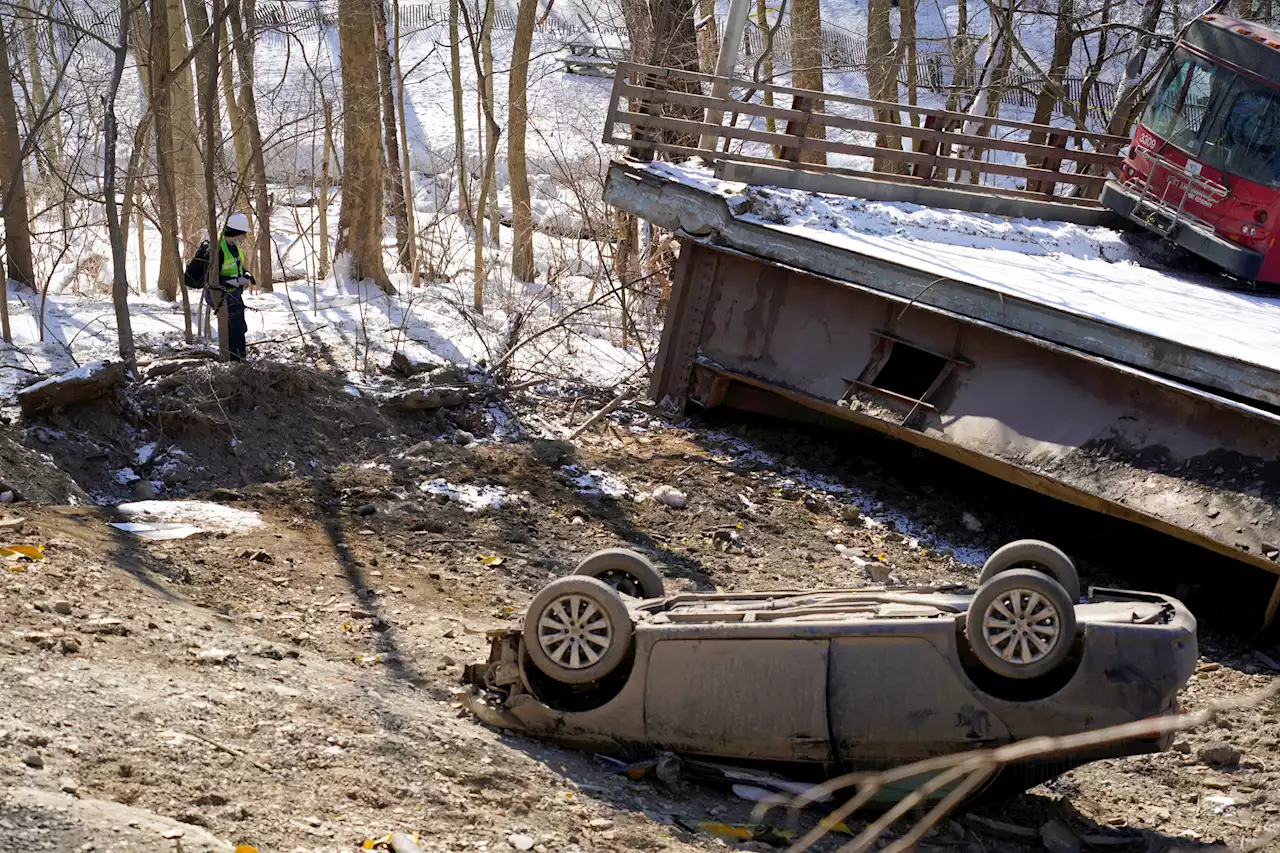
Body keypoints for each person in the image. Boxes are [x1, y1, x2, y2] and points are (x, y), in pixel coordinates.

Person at [183, 213, 255, 362]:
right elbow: (212, 279)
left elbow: (237, 266)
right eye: (244, 234)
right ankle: (233, 360)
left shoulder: (233, 247)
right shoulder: (217, 250)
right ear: (236, 232)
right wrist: (236, 281)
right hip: (219, 294)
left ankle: (240, 358)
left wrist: (246, 274)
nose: (245, 237)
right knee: (233, 327)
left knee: (239, 326)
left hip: (233, 293)